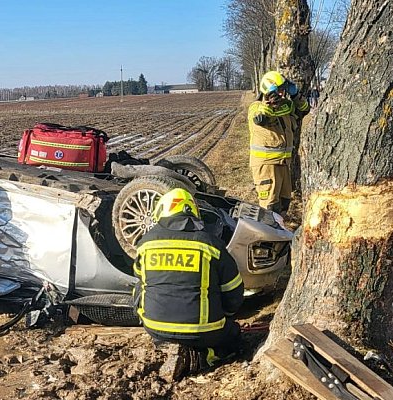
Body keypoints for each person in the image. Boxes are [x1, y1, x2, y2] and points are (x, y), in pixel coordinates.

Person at [133, 188, 244, 372]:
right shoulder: (211, 245)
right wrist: (226, 316)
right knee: (233, 336)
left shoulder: (145, 244)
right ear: (192, 211)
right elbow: (234, 293)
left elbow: (140, 278)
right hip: (205, 332)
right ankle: (204, 356)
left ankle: (166, 346)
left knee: (140, 285)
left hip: (155, 329)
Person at [248, 71, 310, 214]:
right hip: (266, 165)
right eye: (279, 90)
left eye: (283, 89)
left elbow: (304, 109)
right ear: (269, 90)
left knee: (284, 204)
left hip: (283, 163)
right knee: (269, 208)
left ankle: (280, 233)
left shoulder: (286, 106)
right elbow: (260, 118)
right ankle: (268, 235)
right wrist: (271, 103)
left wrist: (295, 95)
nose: (282, 94)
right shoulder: (256, 107)